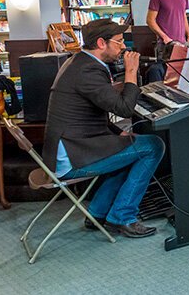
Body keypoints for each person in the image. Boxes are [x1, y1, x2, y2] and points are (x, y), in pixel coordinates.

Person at [43, 19, 164, 238]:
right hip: (73, 156)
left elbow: (90, 112)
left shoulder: (79, 63)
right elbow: (125, 108)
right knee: (153, 146)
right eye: (118, 42)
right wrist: (131, 72)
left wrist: (119, 133)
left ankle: (97, 213)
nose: (124, 47)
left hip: (76, 146)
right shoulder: (87, 71)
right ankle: (123, 216)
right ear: (101, 43)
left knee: (131, 148)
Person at [146, 0, 189, 82]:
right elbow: (150, 20)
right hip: (165, 45)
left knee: (181, 78)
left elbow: (183, 17)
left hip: (181, 43)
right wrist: (164, 37)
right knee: (165, 78)